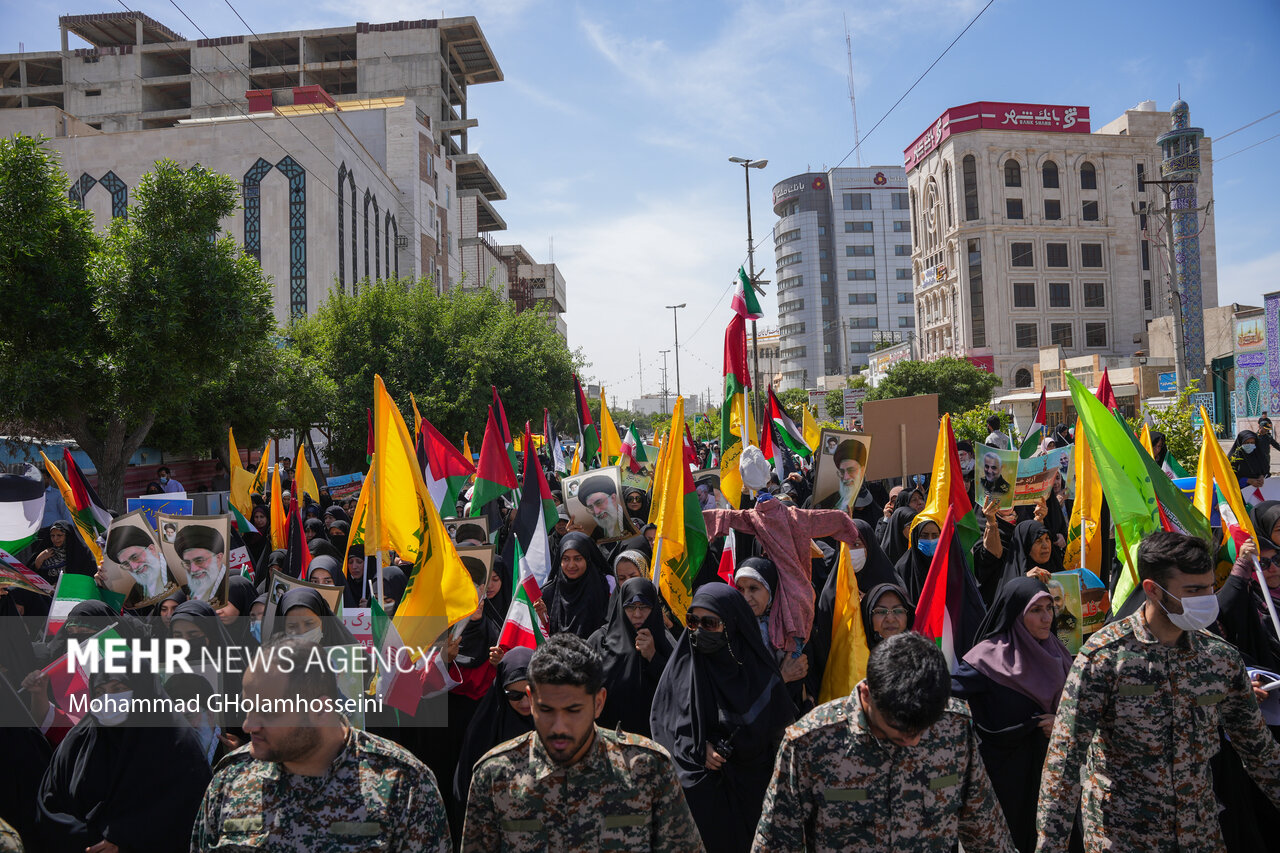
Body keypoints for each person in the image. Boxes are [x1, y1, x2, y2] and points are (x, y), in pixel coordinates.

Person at [1035, 531, 1280, 852]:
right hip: (1122, 838)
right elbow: (1064, 762)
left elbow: (1259, 751)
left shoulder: (1219, 658)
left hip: (1198, 835)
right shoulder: (1105, 658)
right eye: (1193, 590)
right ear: (1153, 590)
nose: (1207, 599)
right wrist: (1051, 845)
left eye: (1209, 587)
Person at [751, 631, 1017, 852]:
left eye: (923, 729)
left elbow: (985, 831)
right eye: (899, 728)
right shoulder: (810, 743)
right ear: (867, 695)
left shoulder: (954, 727)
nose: (913, 742)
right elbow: (776, 844)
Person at [192, 635, 451, 851]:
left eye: (267, 711)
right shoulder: (229, 781)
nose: (249, 726)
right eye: (247, 708)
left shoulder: (402, 784)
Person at [461, 634, 703, 852]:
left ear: (598, 703)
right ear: (531, 701)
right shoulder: (495, 776)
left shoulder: (647, 768)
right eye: (546, 710)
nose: (559, 727)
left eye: (573, 710)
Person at [650, 584, 797, 853]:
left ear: (732, 625)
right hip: (703, 805)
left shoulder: (761, 675)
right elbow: (665, 728)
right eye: (693, 621)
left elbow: (781, 740)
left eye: (710, 623)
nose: (699, 630)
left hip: (755, 795)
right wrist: (698, 745)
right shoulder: (684, 666)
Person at [952, 577, 1074, 853]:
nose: (1046, 618)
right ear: (1016, 614)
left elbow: (1078, 705)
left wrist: (1061, 723)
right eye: (1035, 610)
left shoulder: (1058, 651)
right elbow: (946, 692)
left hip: (1051, 770)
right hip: (1006, 776)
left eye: (1050, 607)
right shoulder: (988, 658)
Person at [38, 666, 211, 853]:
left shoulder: (177, 743)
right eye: (100, 692)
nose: (108, 698)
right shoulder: (77, 742)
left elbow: (188, 809)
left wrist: (125, 838)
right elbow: (50, 805)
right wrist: (89, 840)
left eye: (118, 689)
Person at [590, 577, 675, 737]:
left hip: (651, 743)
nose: (637, 614)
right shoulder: (600, 640)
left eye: (644, 607)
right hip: (607, 742)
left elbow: (678, 690)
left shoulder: (666, 642)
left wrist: (653, 657)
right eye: (630, 607)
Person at [545, 531, 613, 640]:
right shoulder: (548, 593)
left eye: (578, 559)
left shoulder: (607, 588)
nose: (571, 565)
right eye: (566, 559)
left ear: (588, 558)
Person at [105, 523, 173, 601]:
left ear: (151, 549)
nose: (134, 567)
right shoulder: (136, 592)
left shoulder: (178, 572)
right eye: (126, 564)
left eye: (135, 557)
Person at [175, 524, 227, 604]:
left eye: (199, 560)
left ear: (218, 557)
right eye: (187, 563)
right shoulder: (183, 592)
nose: (193, 569)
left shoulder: (231, 587)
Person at [860, 582, 915, 647]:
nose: (890, 619)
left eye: (898, 611)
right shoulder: (853, 654)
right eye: (881, 612)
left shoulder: (921, 654)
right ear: (868, 617)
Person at [576, 474, 629, 539]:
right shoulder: (596, 533)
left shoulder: (631, 521)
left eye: (599, 503)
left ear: (613, 498)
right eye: (590, 507)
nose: (596, 512)